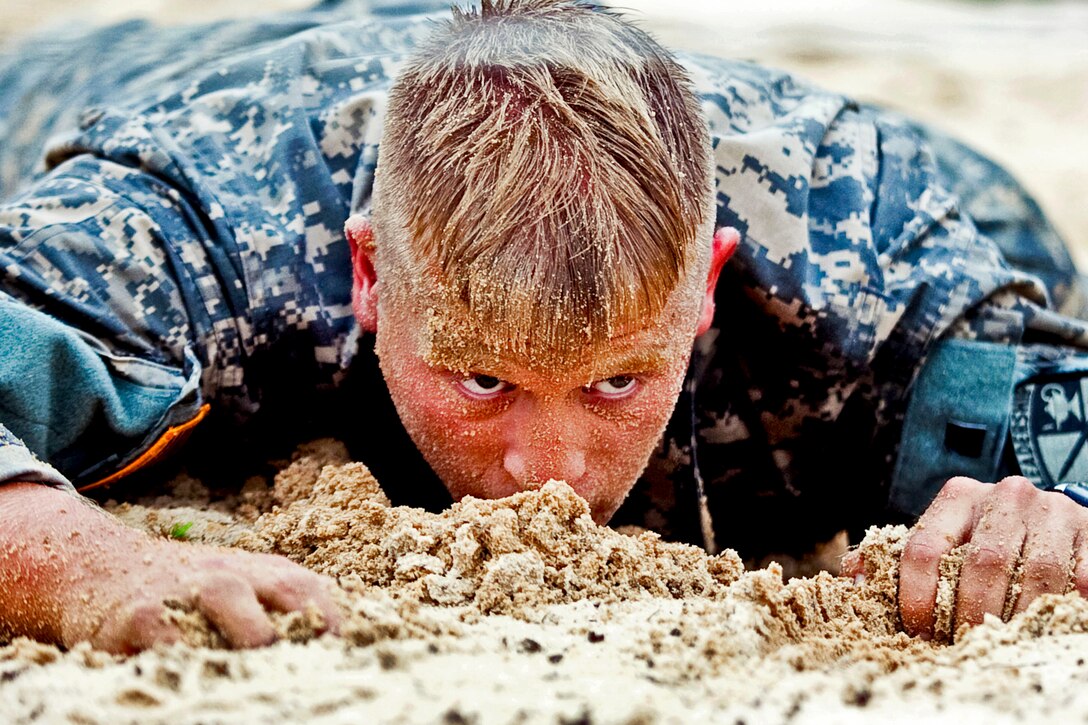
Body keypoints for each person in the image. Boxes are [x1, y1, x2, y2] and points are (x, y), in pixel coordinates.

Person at [1, 0, 1086, 653]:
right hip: (163, 74)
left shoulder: (862, 247)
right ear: (369, 272)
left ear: (705, 286)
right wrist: (79, 562)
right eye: (481, 378)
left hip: (765, 131)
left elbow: (1049, 407)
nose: (551, 473)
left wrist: (1050, 506)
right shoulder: (209, 215)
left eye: (616, 381)